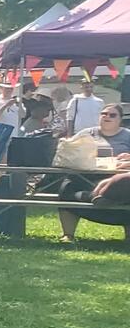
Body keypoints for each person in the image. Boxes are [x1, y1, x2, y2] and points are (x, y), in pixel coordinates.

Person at [54, 102, 129, 242]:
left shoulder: (127, 135)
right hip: (84, 174)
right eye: (104, 114)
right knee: (66, 187)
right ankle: (68, 235)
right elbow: (70, 151)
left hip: (116, 177)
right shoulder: (86, 133)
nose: (107, 117)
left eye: (112, 115)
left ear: (120, 119)